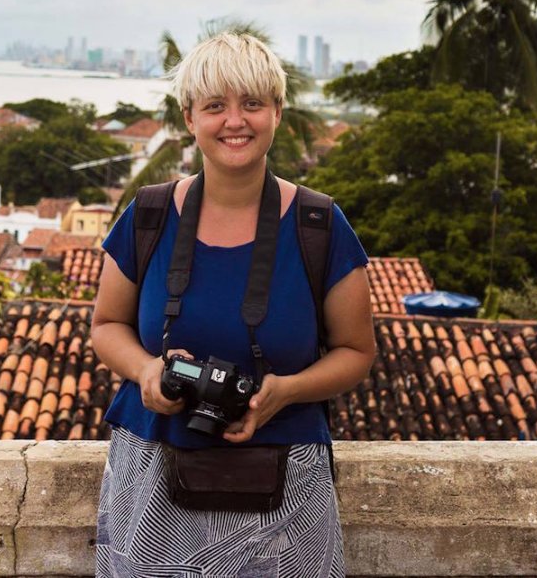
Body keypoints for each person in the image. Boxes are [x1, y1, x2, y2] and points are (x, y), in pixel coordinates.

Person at [91, 32, 376, 578]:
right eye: (215, 106)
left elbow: (356, 351)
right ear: (189, 117)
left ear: (277, 112)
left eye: (252, 104)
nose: (234, 122)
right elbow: (106, 326)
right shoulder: (148, 216)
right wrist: (146, 371)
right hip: (153, 473)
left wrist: (285, 392)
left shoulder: (319, 225)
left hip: (287, 482)